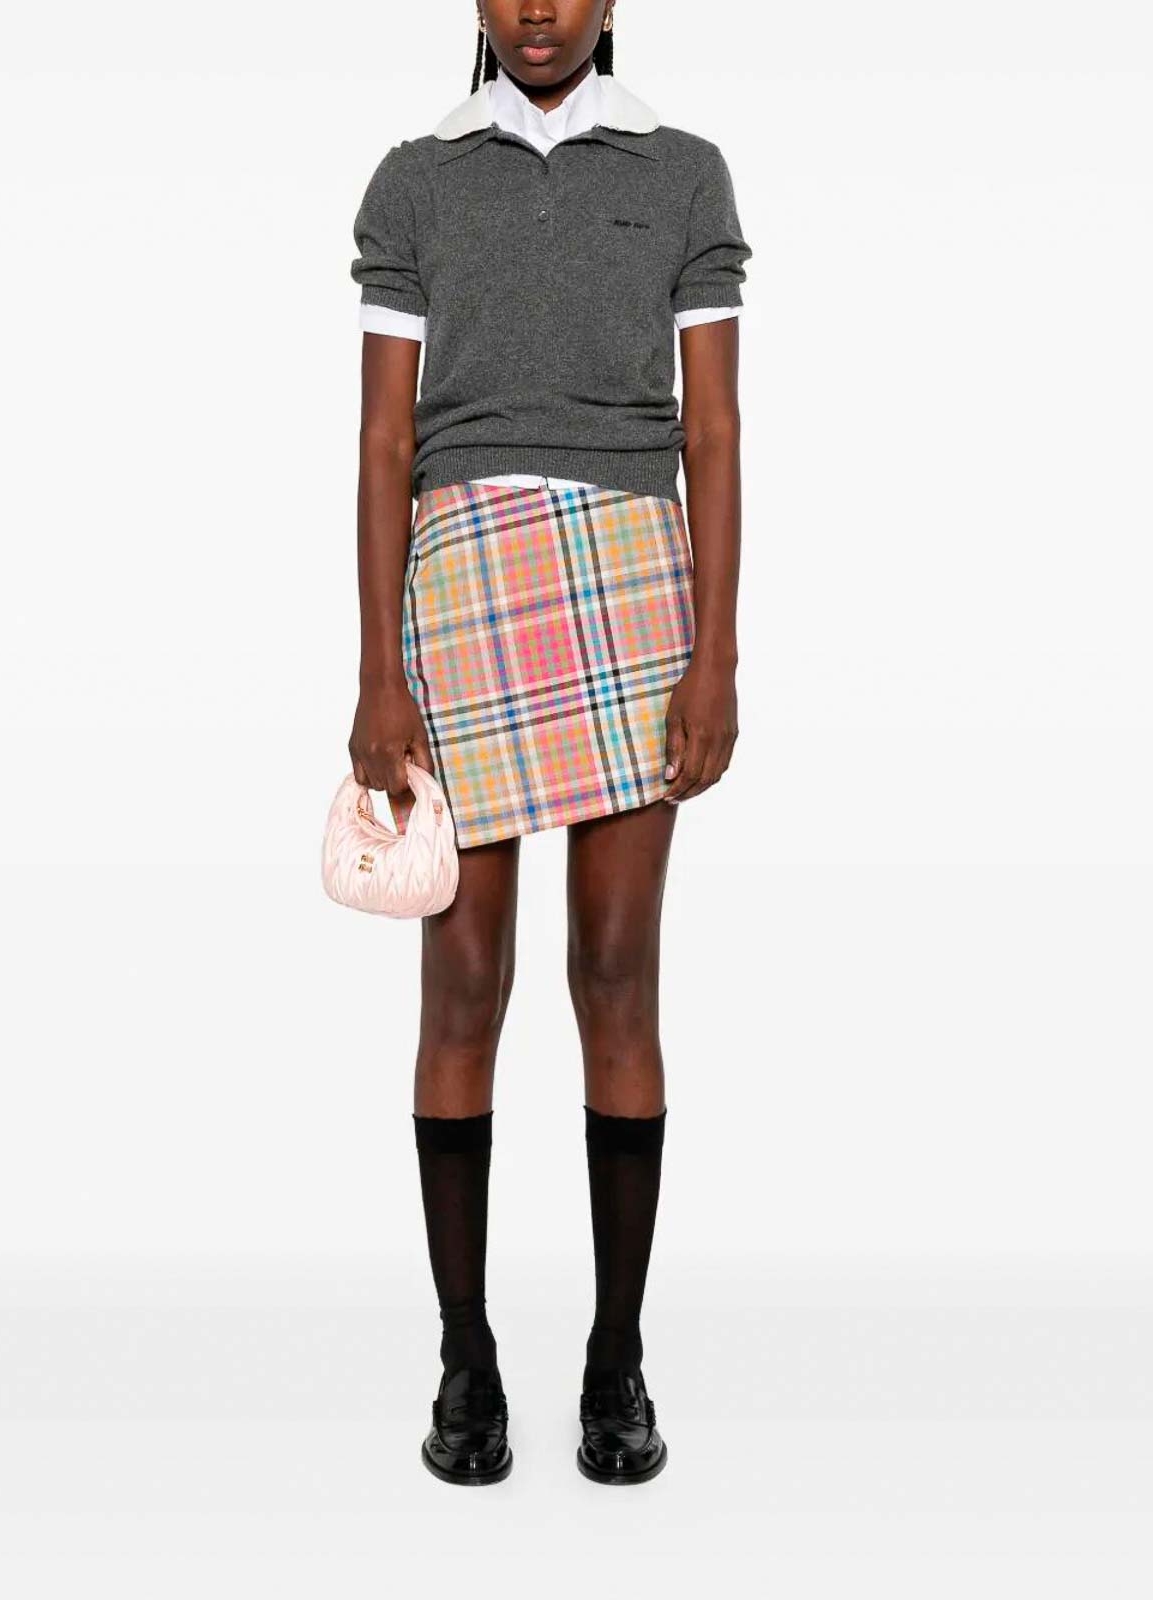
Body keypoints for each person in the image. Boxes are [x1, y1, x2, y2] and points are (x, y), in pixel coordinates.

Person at [347, 0, 751, 1486]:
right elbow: (385, 440)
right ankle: (466, 1360)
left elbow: (714, 431)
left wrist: (714, 655)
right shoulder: (415, 179)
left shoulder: (684, 171)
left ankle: (616, 1360)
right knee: (464, 980)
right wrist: (378, 669)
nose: (536, 8)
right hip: (461, 580)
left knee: (616, 970)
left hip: (634, 578)